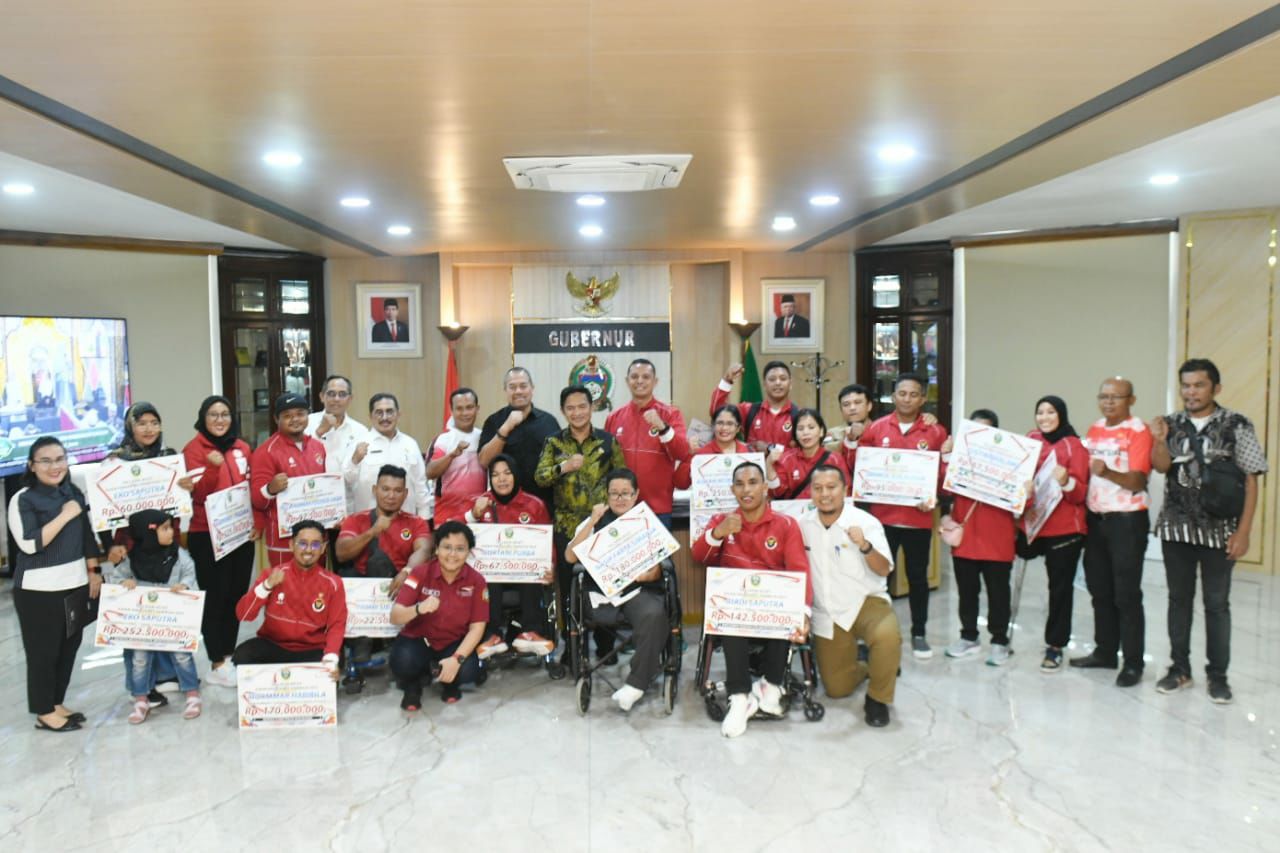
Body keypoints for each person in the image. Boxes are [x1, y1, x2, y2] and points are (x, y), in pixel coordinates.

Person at [1150, 359, 1267, 704]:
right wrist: (1159, 441)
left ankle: (1218, 676)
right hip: (1176, 529)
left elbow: (1251, 479)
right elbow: (1160, 466)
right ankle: (1179, 669)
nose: (1191, 392)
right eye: (1186, 385)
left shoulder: (1237, 424)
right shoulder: (1171, 423)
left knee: (1216, 604)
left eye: (1199, 385)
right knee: (1178, 601)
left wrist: (1243, 532)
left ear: (1216, 388)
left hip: (1220, 532)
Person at [691, 461, 812, 738]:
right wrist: (717, 533)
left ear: (765, 487)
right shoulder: (722, 520)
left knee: (786, 607)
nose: (746, 490)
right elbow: (698, 556)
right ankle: (739, 696)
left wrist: (803, 612)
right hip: (736, 608)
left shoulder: (786, 524)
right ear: (732, 490)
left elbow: (799, 571)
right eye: (740, 484)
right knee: (731, 612)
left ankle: (770, 684)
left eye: (753, 482)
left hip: (772, 606)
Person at [852, 373, 950, 660]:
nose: (907, 399)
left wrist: (934, 497)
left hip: (918, 520)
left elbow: (942, 477)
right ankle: (871, 634)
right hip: (882, 520)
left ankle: (919, 633)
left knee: (918, 578)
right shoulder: (876, 428)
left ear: (923, 399)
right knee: (876, 578)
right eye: (902, 393)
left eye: (913, 394)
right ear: (893, 396)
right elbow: (859, 468)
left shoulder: (935, 432)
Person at [8, 437, 102, 732]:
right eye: (45, 461)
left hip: (75, 583)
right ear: (31, 466)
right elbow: (30, 543)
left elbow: (86, 534)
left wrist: (94, 570)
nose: (54, 466)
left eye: (60, 459)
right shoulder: (23, 498)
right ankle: (44, 711)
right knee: (43, 653)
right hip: (38, 590)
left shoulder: (72, 491)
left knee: (68, 649)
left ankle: (56, 702)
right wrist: (65, 515)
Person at [797, 465, 900, 727]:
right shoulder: (802, 525)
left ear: (845, 490)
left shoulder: (866, 522)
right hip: (827, 611)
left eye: (831, 487)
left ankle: (877, 699)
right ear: (811, 492)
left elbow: (884, 569)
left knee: (887, 636)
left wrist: (864, 545)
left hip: (865, 600)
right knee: (837, 689)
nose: (825, 494)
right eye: (818, 488)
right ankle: (868, 665)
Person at [564, 469, 671, 712]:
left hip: (637, 591)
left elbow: (659, 569)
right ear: (607, 495)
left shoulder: (647, 522)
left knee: (655, 615)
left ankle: (636, 684)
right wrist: (592, 521)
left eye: (625, 493)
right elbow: (570, 557)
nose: (619, 498)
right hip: (600, 594)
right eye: (614, 493)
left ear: (636, 494)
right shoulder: (595, 521)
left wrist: (647, 575)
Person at [1071, 376, 1152, 687]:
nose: (1108, 402)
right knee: (1099, 590)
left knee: (1126, 594)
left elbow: (1138, 481)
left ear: (1131, 400)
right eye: (1103, 396)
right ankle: (1105, 652)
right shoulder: (1094, 428)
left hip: (1127, 522)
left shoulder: (1138, 430)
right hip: (1096, 520)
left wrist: (1107, 472)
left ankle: (1133, 663)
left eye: (1116, 397)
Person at [535, 385, 627, 637]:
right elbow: (540, 478)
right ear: (563, 411)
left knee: (604, 585)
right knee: (569, 588)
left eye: (582, 406)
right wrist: (563, 467)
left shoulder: (607, 441)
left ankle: (605, 643)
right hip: (567, 527)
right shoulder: (553, 442)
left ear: (592, 407)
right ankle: (573, 644)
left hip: (602, 526)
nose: (577, 413)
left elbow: (622, 478)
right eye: (571, 408)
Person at [182, 395, 258, 688]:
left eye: (225, 414)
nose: (219, 420)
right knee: (215, 598)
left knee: (236, 596)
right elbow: (199, 494)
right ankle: (215, 660)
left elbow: (251, 488)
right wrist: (212, 467)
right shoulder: (193, 449)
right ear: (203, 418)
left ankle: (228, 655)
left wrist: (256, 522)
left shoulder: (242, 447)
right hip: (207, 534)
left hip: (241, 533)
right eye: (213, 414)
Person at [104, 510, 202, 723]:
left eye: (170, 527)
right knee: (140, 658)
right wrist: (125, 583)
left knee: (182, 655)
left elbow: (189, 571)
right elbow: (118, 577)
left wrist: (184, 585)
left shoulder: (177, 553)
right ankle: (141, 698)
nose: (171, 532)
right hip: (143, 621)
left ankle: (192, 694)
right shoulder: (132, 558)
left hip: (172, 616)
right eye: (164, 529)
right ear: (147, 533)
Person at [942, 410, 1018, 667]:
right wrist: (946, 457)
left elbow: (1024, 502)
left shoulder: (1012, 463)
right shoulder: (959, 461)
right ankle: (968, 636)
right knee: (967, 592)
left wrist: (1026, 491)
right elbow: (942, 486)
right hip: (966, 540)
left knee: (998, 594)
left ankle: (999, 640)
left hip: (998, 540)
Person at [335, 464, 433, 662]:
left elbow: (423, 550)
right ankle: (363, 639)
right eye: (385, 489)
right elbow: (341, 553)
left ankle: (385, 636)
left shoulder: (415, 522)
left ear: (405, 494)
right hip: (362, 590)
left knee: (382, 563)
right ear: (375, 490)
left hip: (399, 585)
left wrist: (407, 571)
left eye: (397, 491)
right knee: (354, 571)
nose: (391, 496)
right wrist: (373, 531)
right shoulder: (356, 519)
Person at [389, 520, 488, 708]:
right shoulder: (419, 573)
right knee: (402, 662)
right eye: (447, 547)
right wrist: (418, 608)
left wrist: (457, 659)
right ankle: (413, 685)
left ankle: (449, 681)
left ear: (469, 552)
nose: (452, 554)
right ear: (436, 549)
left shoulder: (477, 580)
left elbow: (477, 628)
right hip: (419, 639)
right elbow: (395, 616)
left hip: (453, 642)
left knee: (468, 670)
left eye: (460, 549)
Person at [466, 454, 556, 659]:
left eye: (507, 473)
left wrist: (551, 566)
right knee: (490, 573)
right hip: (491, 576)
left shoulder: (534, 505)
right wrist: (473, 515)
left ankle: (530, 632)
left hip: (524, 574)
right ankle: (492, 636)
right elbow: (458, 536)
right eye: (495, 475)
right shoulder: (480, 504)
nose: (502, 479)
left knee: (531, 568)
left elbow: (547, 544)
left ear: (516, 475)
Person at [1023, 395, 1089, 673]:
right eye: (1040, 412)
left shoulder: (1074, 446)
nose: (1045, 417)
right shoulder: (1030, 439)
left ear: (1061, 415)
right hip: (1030, 524)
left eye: (1051, 412)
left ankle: (1056, 645)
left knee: (1059, 588)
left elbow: (1080, 494)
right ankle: (998, 637)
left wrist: (1066, 481)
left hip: (1064, 529)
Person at [232, 520, 347, 677]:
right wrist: (266, 586)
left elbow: (337, 625)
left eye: (315, 545)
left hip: (311, 649)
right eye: (302, 543)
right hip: (274, 646)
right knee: (243, 656)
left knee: (335, 663)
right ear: (291, 545)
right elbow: (243, 615)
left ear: (323, 548)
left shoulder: (333, 583)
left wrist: (331, 658)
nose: (308, 550)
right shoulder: (272, 575)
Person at [604, 358, 691, 528]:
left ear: (655, 381)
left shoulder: (670, 414)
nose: (640, 381)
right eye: (634, 376)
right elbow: (606, 464)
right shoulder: (614, 418)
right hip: (621, 509)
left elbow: (682, 452)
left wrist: (663, 427)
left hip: (658, 510)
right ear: (627, 381)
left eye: (645, 377)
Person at [250, 393, 327, 567]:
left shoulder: (318, 447)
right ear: (276, 419)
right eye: (287, 416)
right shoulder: (266, 451)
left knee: (317, 583)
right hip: (284, 540)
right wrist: (270, 489)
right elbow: (257, 500)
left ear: (308, 415)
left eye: (300, 413)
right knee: (284, 583)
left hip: (316, 537)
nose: (295, 419)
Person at [478, 367, 562, 507]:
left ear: (532, 388)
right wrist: (506, 427)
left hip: (544, 505)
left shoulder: (549, 421)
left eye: (523, 386)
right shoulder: (494, 421)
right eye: (512, 387)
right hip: (506, 506)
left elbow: (560, 463)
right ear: (505, 390)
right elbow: (484, 461)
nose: (518, 391)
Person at [344, 393, 431, 517]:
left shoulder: (410, 444)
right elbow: (346, 482)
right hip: (369, 521)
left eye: (390, 412)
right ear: (370, 416)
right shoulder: (358, 444)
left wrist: (424, 518)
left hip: (405, 522)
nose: (385, 417)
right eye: (379, 412)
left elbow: (421, 485)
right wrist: (354, 461)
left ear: (398, 414)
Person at [306, 375, 369, 510]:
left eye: (342, 394)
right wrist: (319, 432)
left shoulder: (360, 431)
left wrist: (354, 461)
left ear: (350, 399)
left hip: (345, 505)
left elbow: (355, 479)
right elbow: (299, 463)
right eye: (331, 394)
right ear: (322, 397)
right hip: (309, 502)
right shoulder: (307, 423)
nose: (336, 399)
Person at [426, 387, 487, 525]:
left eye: (469, 407)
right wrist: (452, 455)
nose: (465, 413)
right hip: (446, 516)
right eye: (459, 408)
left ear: (477, 409)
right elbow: (429, 473)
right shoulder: (442, 440)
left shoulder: (484, 437)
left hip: (480, 516)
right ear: (451, 410)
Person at [709, 360, 798, 450]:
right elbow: (717, 412)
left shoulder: (798, 416)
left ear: (790, 384)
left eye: (783, 379)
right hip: (750, 459)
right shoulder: (748, 410)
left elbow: (802, 452)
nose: (778, 383)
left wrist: (769, 448)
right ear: (764, 384)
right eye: (772, 379)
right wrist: (727, 381)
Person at [765, 408, 850, 500]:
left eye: (811, 427)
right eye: (800, 429)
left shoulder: (835, 459)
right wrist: (769, 465)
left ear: (821, 431)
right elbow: (776, 492)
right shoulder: (786, 459)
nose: (805, 433)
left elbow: (846, 491)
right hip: (795, 509)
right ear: (795, 434)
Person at [674, 405, 750, 490]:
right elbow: (680, 484)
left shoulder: (747, 452)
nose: (724, 428)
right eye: (720, 423)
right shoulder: (702, 453)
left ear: (738, 428)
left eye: (730, 423)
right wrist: (690, 455)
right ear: (713, 426)